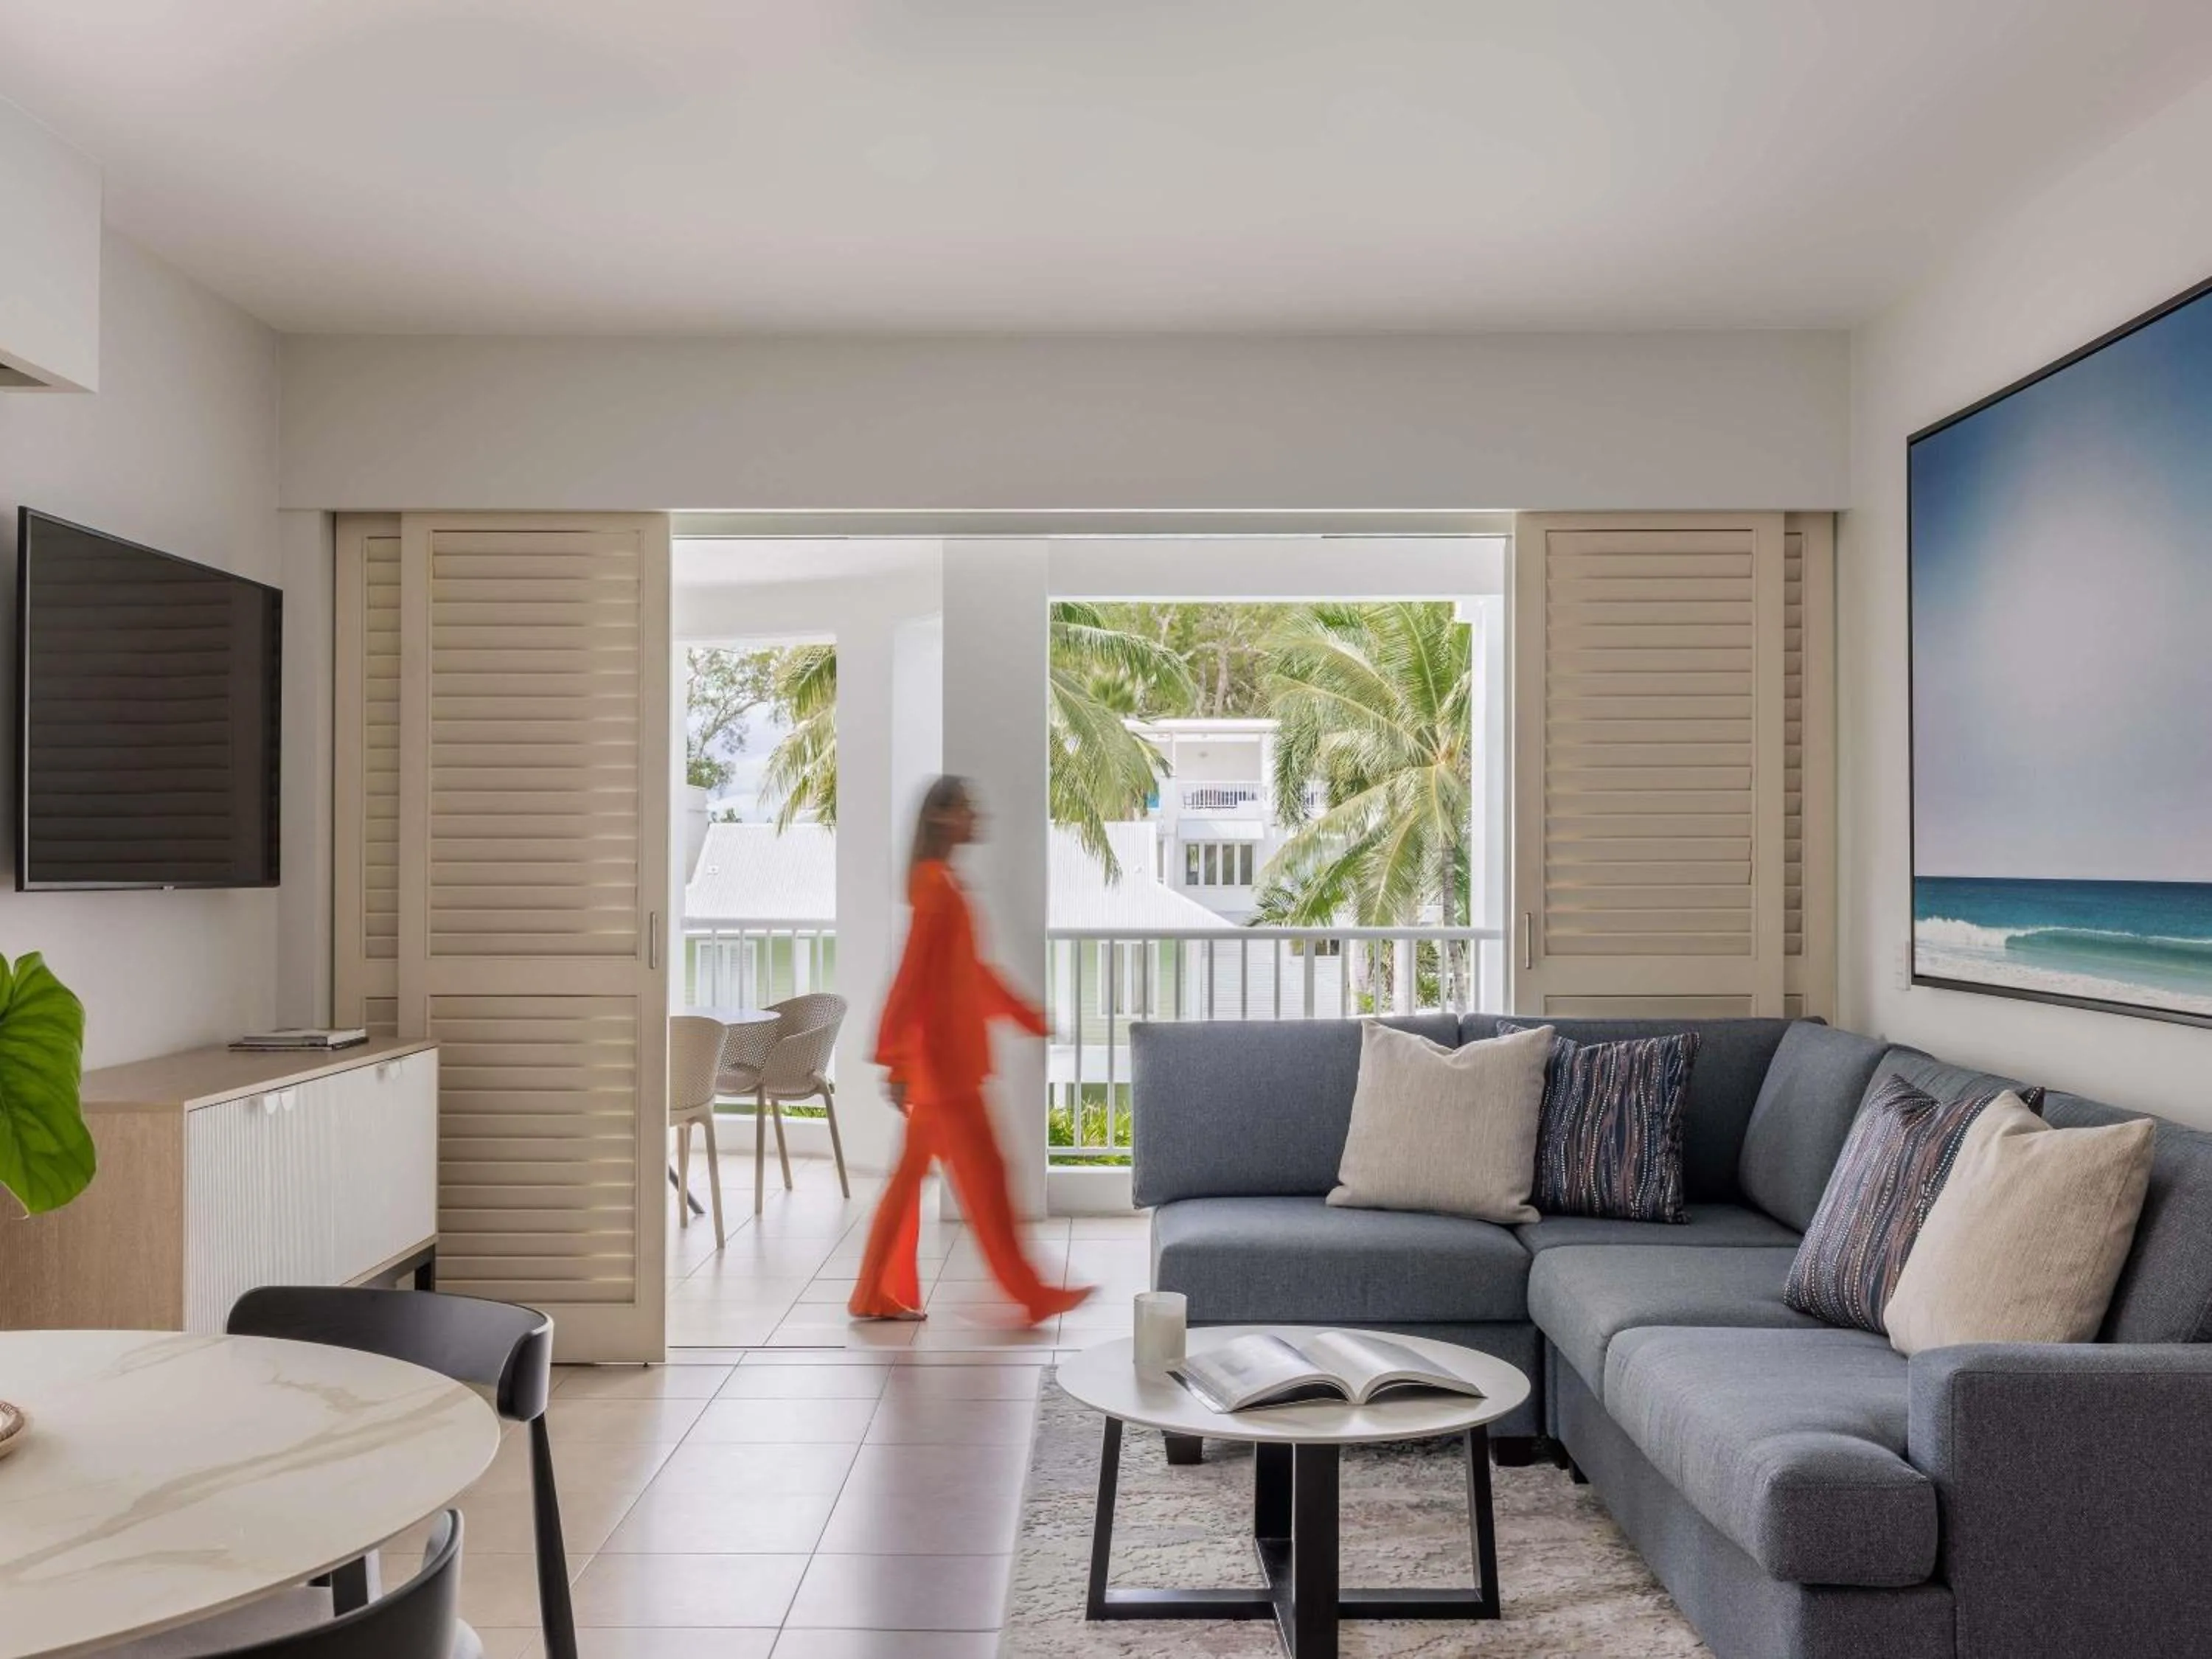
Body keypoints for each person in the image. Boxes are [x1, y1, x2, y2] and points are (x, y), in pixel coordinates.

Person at [849, 776, 1095, 1325]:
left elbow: (969, 976)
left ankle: (875, 1293)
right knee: (985, 1181)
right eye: (966, 807)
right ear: (941, 818)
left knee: (923, 1179)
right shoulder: (936, 886)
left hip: (947, 1067)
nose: (976, 814)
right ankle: (1030, 1294)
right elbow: (913, 979)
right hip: (943, 1070)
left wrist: (1025, 1014)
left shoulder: (943, 884)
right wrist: (896, 1060)